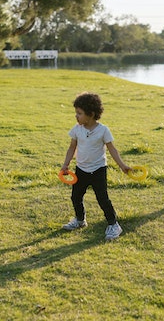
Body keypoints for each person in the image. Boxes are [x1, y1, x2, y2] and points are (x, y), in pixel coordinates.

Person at [60, 92, 131, 240]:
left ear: (91, 114)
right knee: (76, 196)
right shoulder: (77, 129)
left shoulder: (103, 130)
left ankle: (113, 225)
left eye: (79, 113)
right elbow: (72, 148)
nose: (76, 116)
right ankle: (80, 220)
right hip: (81, 170)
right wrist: (65, 165)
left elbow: (112, 149)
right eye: (76, 113)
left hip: (98, 170)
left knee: (102, 198)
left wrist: (122, 165)